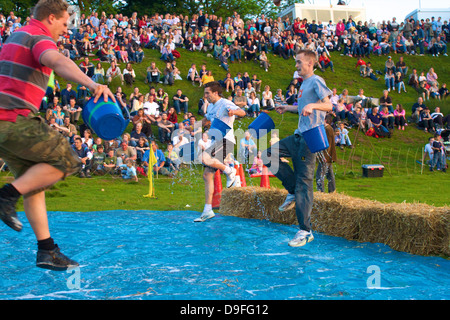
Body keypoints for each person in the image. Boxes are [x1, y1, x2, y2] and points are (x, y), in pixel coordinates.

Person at [0, 0, 115, 271]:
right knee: (69, 161)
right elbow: (56, 60)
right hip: (16, 120)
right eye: (64, 23)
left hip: (3, 127)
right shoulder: (38, 37)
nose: (66, 30)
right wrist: (93, 84)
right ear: (51, 18)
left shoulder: (15, 35)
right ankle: (5, 196)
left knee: (33, 184)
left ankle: (47, 250)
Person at [269, 50, 333, 247]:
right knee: (267, 154)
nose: (296, 65)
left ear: (310, 63)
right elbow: (303, 107)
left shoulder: (316, 80)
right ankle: (291, 190)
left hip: (310, 137)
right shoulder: (304, 84)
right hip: (298, 135)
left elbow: (329, 105)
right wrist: (287, 108)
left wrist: (313, 106)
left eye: (299, 62)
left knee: (304, 183)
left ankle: (305, 231)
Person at [195, 81, 246, 222]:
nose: (205, 96)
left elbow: (242, 112)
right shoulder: (211, 106)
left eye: (207, 93)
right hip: (215, 140)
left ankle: (230, 171)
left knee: (204, 158)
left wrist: (234, 112)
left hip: (226, 139)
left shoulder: (225, 103)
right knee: (207, 175)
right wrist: (195, 126)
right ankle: (207, 210)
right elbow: (207, 119)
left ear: (216, 93)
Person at [316, 115, 336, 193]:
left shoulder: (327, 129)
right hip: (328, 156)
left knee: (320, 175)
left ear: (325, 120)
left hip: (325, 157)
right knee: (329, 175)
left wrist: (324, 156)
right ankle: (332, 191)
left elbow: (327, 144)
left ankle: (321, 192)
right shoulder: (328, 129)